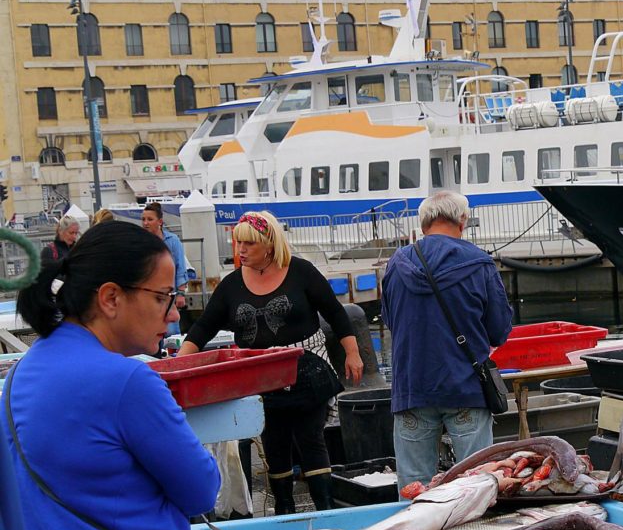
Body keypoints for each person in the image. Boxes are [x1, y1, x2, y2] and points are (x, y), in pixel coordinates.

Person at [5, 221, 221, 530]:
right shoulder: (127, 381)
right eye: (164, 297)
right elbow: (200, 489)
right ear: (110, 298)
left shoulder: (20, 375)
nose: (172, 316)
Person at [180, 211, 363, 513]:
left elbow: (335, 312)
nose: (240, 250)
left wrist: (352, 353)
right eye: (238, 243)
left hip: (306, 367)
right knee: (274, 443)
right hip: (260, 377)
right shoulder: (231, 286)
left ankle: (327, 509)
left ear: (268, 244)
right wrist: (179, 363)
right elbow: (202, 328)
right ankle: (283, 512)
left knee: (309, 438)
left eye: (248, 245)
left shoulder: (301, 271)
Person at [382, 191, 513, 491]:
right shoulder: (479, 264)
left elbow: (390, 320)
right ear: (462, 220)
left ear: (423, 222)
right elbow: (499, 330)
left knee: (414, 492)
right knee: (475, 489)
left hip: (412, 388)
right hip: (466, 387)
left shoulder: (397, 264)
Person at [141, 202, 189, 335]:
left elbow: (180, 267)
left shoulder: (172, 241)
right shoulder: (140, 242)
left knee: (171, 333)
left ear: (160, 221)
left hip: (168, 296)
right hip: (147, 295)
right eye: (143, 219)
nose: (145, 223)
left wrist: (181, 294)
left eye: (150, 219)